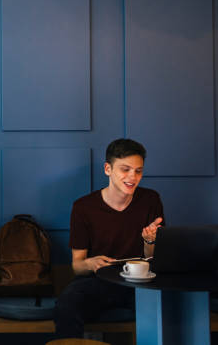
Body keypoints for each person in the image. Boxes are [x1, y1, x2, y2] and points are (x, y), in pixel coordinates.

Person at [53, 138, 164, 338]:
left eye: (138, 171)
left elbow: (152, 258)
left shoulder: (150, 200)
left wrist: (150, 241)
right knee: (66, 304)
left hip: (139, 282)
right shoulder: (83, 207)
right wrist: (90, 263)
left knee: (166, 303)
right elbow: (76, 266)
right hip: (98, 281)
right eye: (125, 169)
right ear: (108, 169)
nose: (133, 177)